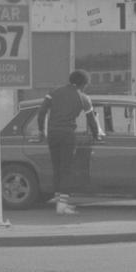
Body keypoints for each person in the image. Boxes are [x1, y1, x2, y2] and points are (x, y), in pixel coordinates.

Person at [37, 69, 102, 215]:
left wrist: (41, 131)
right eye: (86, 84)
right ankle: (62, 206)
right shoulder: (83, 98)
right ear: (83, 84)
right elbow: (91, 119)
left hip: (52, 134)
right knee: (66, 169)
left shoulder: (53, 92)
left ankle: (59, 202)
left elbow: (41, 113)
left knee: (57, 168)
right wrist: (97, 134)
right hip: (67, 135)